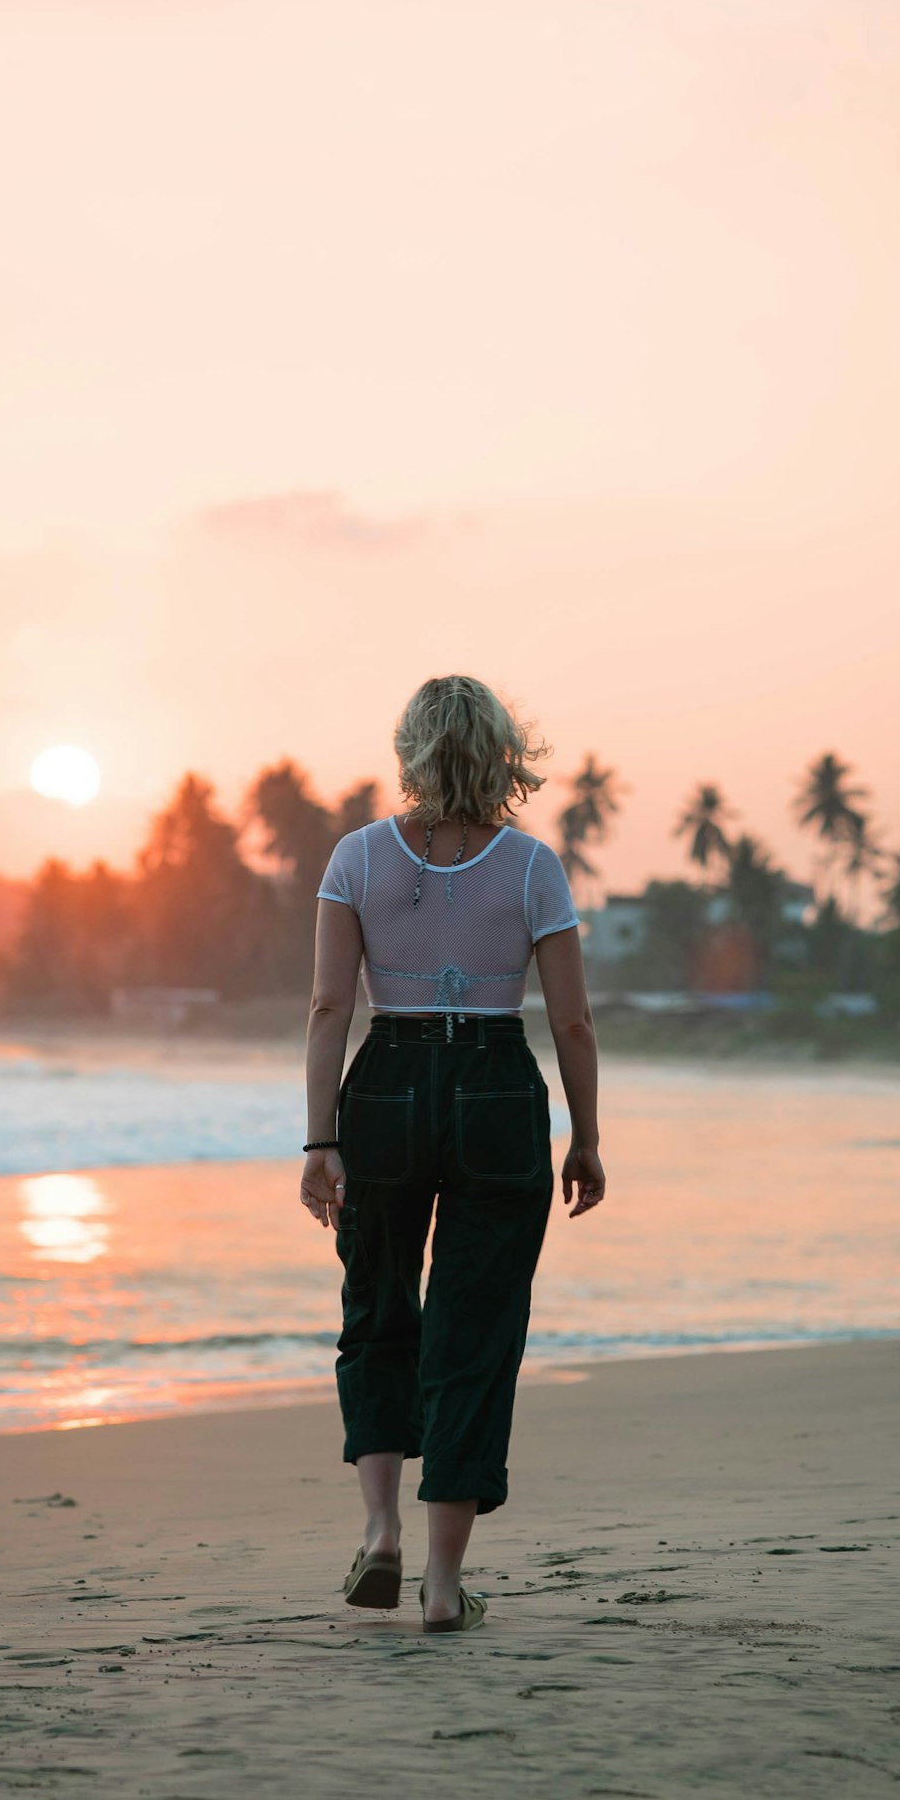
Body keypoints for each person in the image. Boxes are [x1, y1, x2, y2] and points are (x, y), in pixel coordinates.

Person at [301, 675, 606, 1635]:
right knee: (473, 1333)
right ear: (505, 754)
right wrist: (587, 1136)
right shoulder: (531, 867)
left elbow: (326, 1011)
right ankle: (440, 1582)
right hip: (494, 1088)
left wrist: (320, 1140)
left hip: (386, 1081)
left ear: (411, 751)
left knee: (379, 1305)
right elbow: (570, 1020)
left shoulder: (356, 857)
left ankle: (381, 1528)